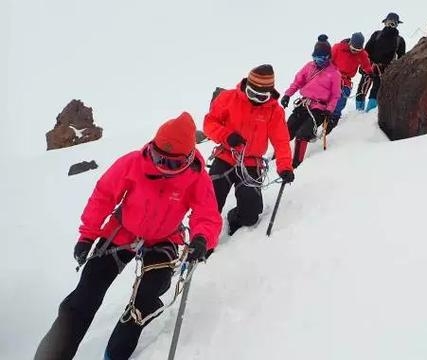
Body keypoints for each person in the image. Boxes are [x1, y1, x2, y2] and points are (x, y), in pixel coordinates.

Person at [34, 112, 222, 360]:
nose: (162, 166)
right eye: (158, 157)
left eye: (173, 164)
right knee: (85, 295)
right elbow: (103, 196)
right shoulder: (133, 163)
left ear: (187, 158)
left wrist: (201, 239)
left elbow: (207, 215)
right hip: (122, 232)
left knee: (146, 298)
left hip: (165, 239)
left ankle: (115, 355)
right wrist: (87, 236)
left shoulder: (197, 177)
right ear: (151, 147)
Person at [203, 64, 294, 236]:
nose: (255, 99)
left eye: (262, 97)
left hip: (252, 163)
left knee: (251, 215)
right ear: (247, 86)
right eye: (252, 94)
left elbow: (281, 141)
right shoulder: (228, 98)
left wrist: (285, 166)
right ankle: (204, 240)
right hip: (225, 156)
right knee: (210, 204)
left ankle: (235, 217)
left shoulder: (274, 111)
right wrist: (226, 135)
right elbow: (209, 123)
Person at [280, 34, 341, 168]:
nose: (317, 61)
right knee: (287, 130)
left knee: (303, 134)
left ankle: (296, 165)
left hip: (319, 109)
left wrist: (329, 110)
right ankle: (276, 159)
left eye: (321, 58)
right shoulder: (309, 67)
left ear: (328, 57)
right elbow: (297, 82)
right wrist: (287, 95)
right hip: (304, 104)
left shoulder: (334, 74)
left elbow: (335, 95)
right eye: (315, 57)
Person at [356, 12, 407, 112]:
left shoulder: (399, 40)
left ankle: (369, 113)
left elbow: (401, 59)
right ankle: (358, 112)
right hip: (370, 67)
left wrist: (395, 73)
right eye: (389, 22)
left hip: (384, 70)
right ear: (385, 22)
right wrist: (363, 66)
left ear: (397, 25)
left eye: (393, 23)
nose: (391, 25)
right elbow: (366, 52)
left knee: (376, 91)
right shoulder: (376, 35)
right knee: (362, 89)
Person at [328, 32, 373, 132]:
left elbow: (366, 65)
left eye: (357, 50)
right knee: (326, 98)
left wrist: (370, 72)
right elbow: (329, 61)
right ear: (350, 44)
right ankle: (321, 117)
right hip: (333, 77)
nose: (354, 52)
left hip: (346, 81)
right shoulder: (338, 48)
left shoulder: (362, 54)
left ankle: (333, 121)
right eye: (353, 49)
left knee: (341, 101)